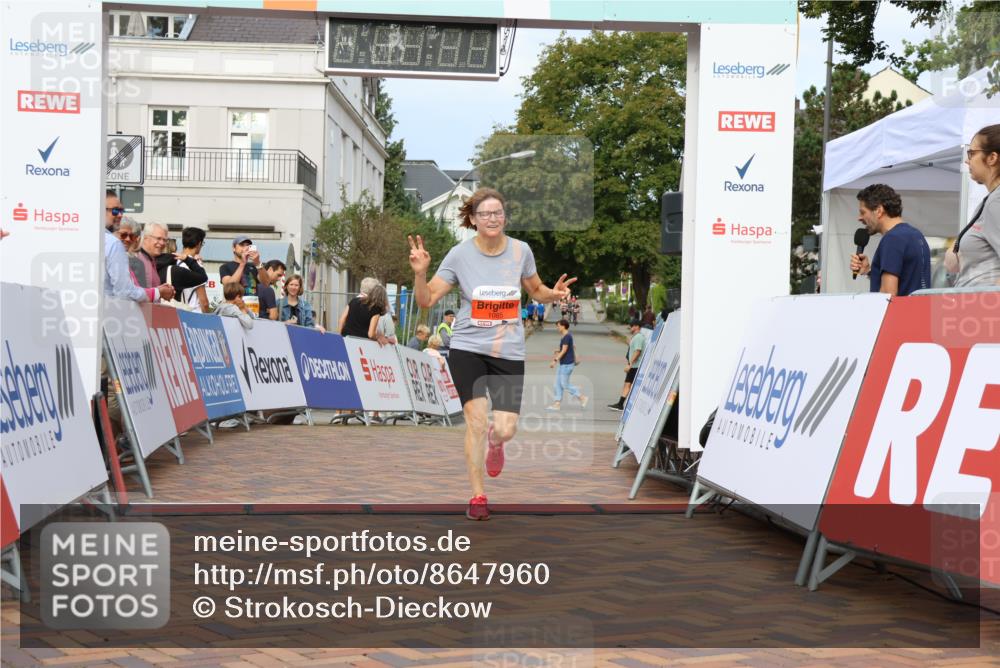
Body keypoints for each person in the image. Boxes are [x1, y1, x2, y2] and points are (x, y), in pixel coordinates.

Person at [408, 186, 576, 521]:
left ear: (504, 216)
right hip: (468, 348)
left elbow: (536, 289)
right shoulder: (459, 255)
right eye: (485, 213)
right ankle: (478, 495)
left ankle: (496, 443)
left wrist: (553, 295)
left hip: (508, 350)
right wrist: (420, 273)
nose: (492, 218)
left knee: (506, 428)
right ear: (472, 219)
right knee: (475, 421)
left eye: (497, 212)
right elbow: (426, 301)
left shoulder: (520, 251)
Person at [849, 184, 931, 296]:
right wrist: (869, 271)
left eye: (863, 212)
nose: (859, 217)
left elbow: (888, 294)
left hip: (899, 313)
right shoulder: (916, 235)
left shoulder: (892, 239)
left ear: (878, 211)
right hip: (919, 310)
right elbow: (908, 282)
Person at [946, 124, 1000, 287]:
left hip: (984, 307)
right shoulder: (991, 200)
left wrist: (993, 302)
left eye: (972, 153)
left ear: (992, 158)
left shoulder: (996, 201)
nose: (967, 160)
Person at [547, 319, 587, 411]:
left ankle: (582, 397)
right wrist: (558, 350)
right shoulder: (565, 336)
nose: (557, 327)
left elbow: (564, 350)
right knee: (557, 384)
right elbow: (567, 349)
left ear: (563, 326)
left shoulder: (567, 336)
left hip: (567, 364)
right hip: (563, 364)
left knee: (564, 384)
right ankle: (557, 404)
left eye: (558, 326)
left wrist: (555, 360)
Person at [608, 319, 648, 411]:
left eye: (632, 325)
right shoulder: (636, 337)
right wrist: (622, 340)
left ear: (637, 326)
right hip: (634, 365)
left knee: (629, 385)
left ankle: (621, 404)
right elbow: (633, 347)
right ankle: (620, 404)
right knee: (628, 384)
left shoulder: (638, 337)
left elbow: (638, 351)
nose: (631, 327)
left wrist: (630, 364)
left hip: (635, 366)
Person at [219, 235, 263, 316]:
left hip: (252, 309)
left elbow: (266, 282)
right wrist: (243, 263)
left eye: (248, 246)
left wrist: (258, 263)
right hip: (234, 310)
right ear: (233, 248)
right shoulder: (225, 267)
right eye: (242, 245)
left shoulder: (253, 267)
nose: (245, 248)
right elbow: (229, 286)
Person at [174, 227, 210, 312]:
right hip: (195, 315)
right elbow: (204, 302)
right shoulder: (195, 266)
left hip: (178, 312)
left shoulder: (174, 261)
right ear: (199, 244)